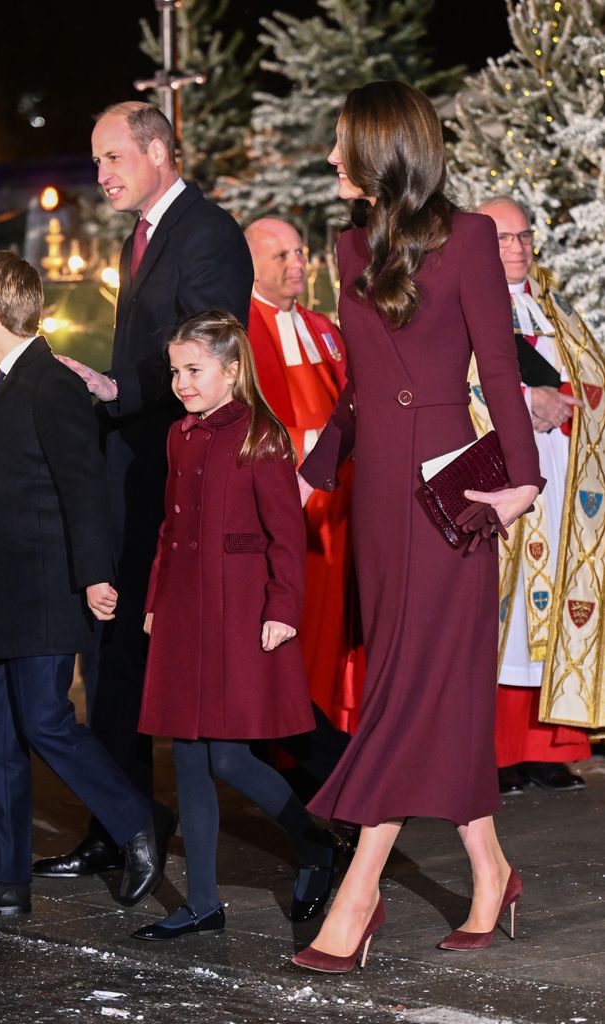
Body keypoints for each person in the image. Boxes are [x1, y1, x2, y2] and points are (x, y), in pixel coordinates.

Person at [291, 82, 542, 973]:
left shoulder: (469, 236)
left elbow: (502, 372)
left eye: (340, 143)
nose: (329, 159)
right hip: (379, 502)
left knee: (404, 688)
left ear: (382, 148)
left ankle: (358, 893)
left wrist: (523, 481)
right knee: (414, 679)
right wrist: (316, 464)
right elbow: (361, 382)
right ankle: (492, 871)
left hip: (452, 501)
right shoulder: (350, 243)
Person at [0, 253, 172, 921]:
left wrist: (94, 576)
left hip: (49, 589)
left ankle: (137, 821)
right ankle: (2, 878)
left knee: (47, 721)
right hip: (3, 591)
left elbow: (82, 489)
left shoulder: (50, 384)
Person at [32, 102, 253, 880]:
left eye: (113, 158)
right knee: (112, 648)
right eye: (97, 161)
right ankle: (121, 821)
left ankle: (329, 809)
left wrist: (119, 387)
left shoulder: (207, 232)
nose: (101, 176)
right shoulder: (144, 237)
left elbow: (210, 346)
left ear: (160, 151)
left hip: (180, 480)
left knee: (152, 652)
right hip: (135, 472)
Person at [130, 312, 345, 942]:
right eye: (175, 371)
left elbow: (285, 532)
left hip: (240, 609)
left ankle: (314, 840)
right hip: (183, 610)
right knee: (189, 756)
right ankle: (202, 902)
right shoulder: (179, 436)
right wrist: (154, 597)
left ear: (231, 370)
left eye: (193, 370)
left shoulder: (262, 434)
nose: (181, 383)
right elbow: (169, 529)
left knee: (226, 754)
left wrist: (282, 607)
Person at [471, 196, 605, 793]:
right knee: (505, 612)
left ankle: (546, 749)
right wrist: (530, 402)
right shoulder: (464, 309)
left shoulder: (554, 310)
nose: (518, 248)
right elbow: (459, 382)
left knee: (551, 612)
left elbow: (592, 378)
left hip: (564, 482)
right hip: (502, 476)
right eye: (502, 239)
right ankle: (493, 753)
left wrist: (572, 400)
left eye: (523, 237)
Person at [245, 218, 364, 742]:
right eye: (282, 257)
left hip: (344, 506)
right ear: (251, 264)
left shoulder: (323, 328)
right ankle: (295, 743)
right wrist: (314, 438)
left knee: (342, 628)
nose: (298, 264)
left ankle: (341, 730)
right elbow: (248, 421)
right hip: (291, 507)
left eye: (300, 252)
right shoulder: (243, 334)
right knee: (297, 624)